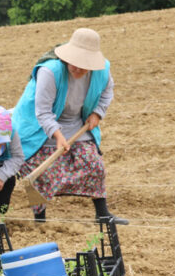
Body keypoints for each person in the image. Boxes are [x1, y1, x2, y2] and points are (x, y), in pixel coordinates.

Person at [12, 28, 128, 224]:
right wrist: (58, 136)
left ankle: (102, 214)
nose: (78, 69)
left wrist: (97, 113)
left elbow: (107, 93)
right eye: (75, 63)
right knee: (40, 172)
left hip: (76, 122)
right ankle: (40, 219)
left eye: (84, 66)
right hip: (39, 126)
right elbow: (42, 111)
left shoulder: (103, 71)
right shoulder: (49, 71)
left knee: (94, 165)